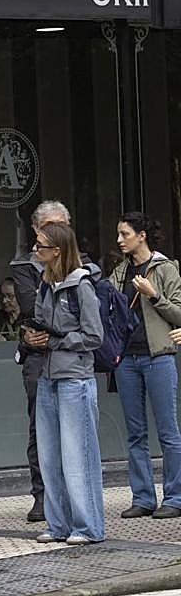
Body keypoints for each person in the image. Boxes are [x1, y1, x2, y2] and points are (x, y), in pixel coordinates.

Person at [24, 223, 105, 544]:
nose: (35, 249)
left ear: (57, 251)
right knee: (50, 455)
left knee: (77, 455)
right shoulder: (45, 284)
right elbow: (42, 326)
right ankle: (58, 525)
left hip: (75, 379)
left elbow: (94, 336)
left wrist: (56, 341)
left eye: (40, 245)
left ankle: (88, 527)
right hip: (47, 377)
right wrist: (31, 336)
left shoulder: (81, 285)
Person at [109, 212, 181, 520]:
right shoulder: (120, 272)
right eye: (119, 234)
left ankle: (175, 498)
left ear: (141, 235)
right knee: (135, 433)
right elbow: (108, 307)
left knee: (168, 431)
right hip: (127, 359)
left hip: (158, 357)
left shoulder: (166, 269)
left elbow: (178, 315)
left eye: (125, 234)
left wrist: (154, 296)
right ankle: (142, 498)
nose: (119, 239)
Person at [11, 200, 77, 523]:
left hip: (73, 357)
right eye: (49, 227)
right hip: (38, 360)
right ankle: (42, 495)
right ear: (36, 232)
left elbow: (81, 318)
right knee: (40, 428)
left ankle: (74, 497)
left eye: (62, 226)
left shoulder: (84, 269)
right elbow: (32, 309)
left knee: (75, 430)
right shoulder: (24, 267)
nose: (56, 234)